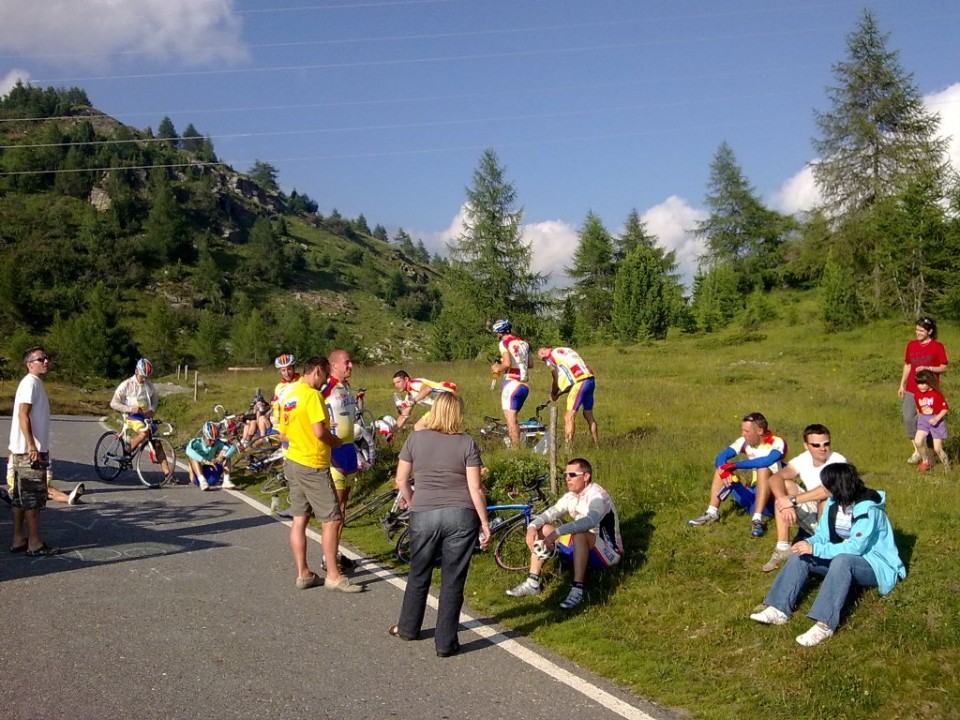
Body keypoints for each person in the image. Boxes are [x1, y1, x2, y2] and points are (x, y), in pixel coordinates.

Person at [750, 463, 906, 647]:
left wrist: (816, 550)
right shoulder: (834, 502)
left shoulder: (868, 508)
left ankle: (824, 624)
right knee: (800, 554)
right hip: (847, 555)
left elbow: (856, 547)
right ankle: (778, 609)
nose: (822, 489)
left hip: (876, 564)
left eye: (826, 486)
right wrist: (809, 544)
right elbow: (823, 535)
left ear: (839, 486)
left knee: (842, 561)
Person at [389, 392, 490, 656]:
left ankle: (408, 628)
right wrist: (484, 522)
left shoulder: (415, 439)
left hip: (424, 512)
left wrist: (413, 502)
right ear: (458, 414)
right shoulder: (467, 443)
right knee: (453, 579)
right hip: (461, 514)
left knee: (419, 572)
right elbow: (475, 487)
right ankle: (445, 642)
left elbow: (401, 480)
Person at [279, 355, 362, 593]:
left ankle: (303, 572)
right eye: (325, 375)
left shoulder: (289, 394)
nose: (325, 381)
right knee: (332, 518)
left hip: (293, 459)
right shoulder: (312, 395)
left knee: (299, 519)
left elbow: (283, 432)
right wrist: (335, 441)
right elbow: (318, 431)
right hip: (312, 462)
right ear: (317, 371)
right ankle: (334, 576)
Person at [506, 458, 622, 609]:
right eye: (565, 474)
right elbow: (550, 513)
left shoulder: (598, 496)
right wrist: (532, 527)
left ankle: (577, 589)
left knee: (580, 534)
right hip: (582, 548)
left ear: (586, 476)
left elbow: (590, 521)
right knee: (544, 529)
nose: (567, 478)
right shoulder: (571, 496)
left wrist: (558, 532)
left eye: (572, 474)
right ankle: (533, 582)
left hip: (608, 552)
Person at [761, 424, 848, 573]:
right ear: (806, 446)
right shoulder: (804, 458)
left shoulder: (838, 461)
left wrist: (792, 500)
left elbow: (827, 491)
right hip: (812, 509)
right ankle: (782, 548)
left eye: (826, 444)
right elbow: (776, 478)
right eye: (816, 445)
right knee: (783, 489)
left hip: (836, 518)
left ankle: (824, 543)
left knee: (825, 501)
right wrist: (785, 502)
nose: (823, 448)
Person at [687, 412, 786, 538]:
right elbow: (721, 457)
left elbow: (766, 461)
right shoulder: (743, 441)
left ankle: (757, 520)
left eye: (746, 431)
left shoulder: (776, 442)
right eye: (742, 430)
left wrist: (734, 466)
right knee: (721, 469)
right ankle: (712, 513)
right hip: (752, 495)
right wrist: (724, 471)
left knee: (763, 469)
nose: (742, 434)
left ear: (760, 431)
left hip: (772, 501)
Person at [7, 347, 59, 556]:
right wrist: (32, 446)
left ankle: (19, 538)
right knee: (33, 498)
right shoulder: (30, 383)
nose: (46, 361)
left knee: (19, 497)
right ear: (30, 364)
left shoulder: (32, 383)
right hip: (30, 452)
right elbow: (23, 414)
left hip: (21, 450)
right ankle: (34, 543)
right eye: (41, 359)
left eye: (47, 358)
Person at [320, 349, 361, 571]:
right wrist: (324, 426)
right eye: (346, 362)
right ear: (334, 364)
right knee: (334, 509)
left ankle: (334, 551)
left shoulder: (347, 387)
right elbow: (310, 410)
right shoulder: (326, 385)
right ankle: (328, 558)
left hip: (349, 449)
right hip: (333, 450)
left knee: (343, 506)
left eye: (351, 362)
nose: (351, 366)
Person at [109, 358, 173, 483]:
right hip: (131, 417)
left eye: (147, 377)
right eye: (142, 376)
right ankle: (128, 449)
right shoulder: (126, 384)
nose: (144, 379)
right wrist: (130, 408)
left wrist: (152, 410)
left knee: (157, 444)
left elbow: (155, 400)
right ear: (136, 371)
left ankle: (167, 474)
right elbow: (113, 403)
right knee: (144, 433)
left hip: (145, 417)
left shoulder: (149, 385)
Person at [898, 316, 948, 464]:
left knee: (929, 421)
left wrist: (929, 368)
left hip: (930, 391)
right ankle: (917, 450)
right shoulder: (911, 345)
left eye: (921, 330)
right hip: (912, 389)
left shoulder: (937, 347)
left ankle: (931, 455)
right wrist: (902, 384)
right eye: (916, 330)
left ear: (930, 331)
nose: (917, 332)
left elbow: (944, 367)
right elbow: (907, 365)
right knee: (908, 419)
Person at [537, 346, 599, 446]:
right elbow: (571, 385)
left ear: (543, 352)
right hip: (589, 380)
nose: (545, 361)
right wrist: (559, 394)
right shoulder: (566, 350)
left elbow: (555, 378)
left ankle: (568, 448)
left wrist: (553, 393)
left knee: (568, 417)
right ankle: (597, 445)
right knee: (588, 415)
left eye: (543, 359)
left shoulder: (550, 357)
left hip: (579, 382)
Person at [489, 319, 532, 448]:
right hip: (524, 384)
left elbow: (507, 364)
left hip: (511, 383)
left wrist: (497, 367)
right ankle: (518, 445)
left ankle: (515, 448)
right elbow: (530, 364)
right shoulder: (524, 342)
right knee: (514, 419)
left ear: (500, 332)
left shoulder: (504, 343)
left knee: (510, 420)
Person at [391, 370, 457, 433]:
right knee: (421, 427)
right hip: (440, 406)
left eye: (398, 382)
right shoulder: (409, 396)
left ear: (406, 379)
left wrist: (413, 401)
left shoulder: (414, 384)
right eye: (395, 383)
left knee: (419, 426)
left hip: (449, 401)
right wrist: (391, 432)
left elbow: (427, 389)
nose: (396, 385)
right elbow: (403, 416)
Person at [912, 369, 950, 472]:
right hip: (923, 420)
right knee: (918, 441)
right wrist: (919, 419)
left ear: (930, 382)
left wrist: (937, 418)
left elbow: (945, 408)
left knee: (937, 448)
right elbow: (918, 408)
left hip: (936, 422)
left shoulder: (936, 394)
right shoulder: (917, 394)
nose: (921, 386)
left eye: (924, 383)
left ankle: (947, 468)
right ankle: (925, 461)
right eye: (919, 384)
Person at [184, 421, 238, 491]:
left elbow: (232, 448)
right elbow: (188, 451)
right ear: (205, 436)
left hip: (212, 470)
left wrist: (222, 457)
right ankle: (202, 481)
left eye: (214, 440)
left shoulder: (217, 443)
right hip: (198, 476)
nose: (213, 442)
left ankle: (226, 481)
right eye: (210, 440)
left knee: (226, 453)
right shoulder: (196, 442)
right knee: (192, 457)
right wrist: (204, 461)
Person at [271, 353, 301, 450]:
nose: (287, 373)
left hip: (298, 425)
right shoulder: (279, 387)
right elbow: (276, 409)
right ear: (279, 371)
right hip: (284, 427)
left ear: (294, 368)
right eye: (283, 370)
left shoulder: (302, 382)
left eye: (289, 369)